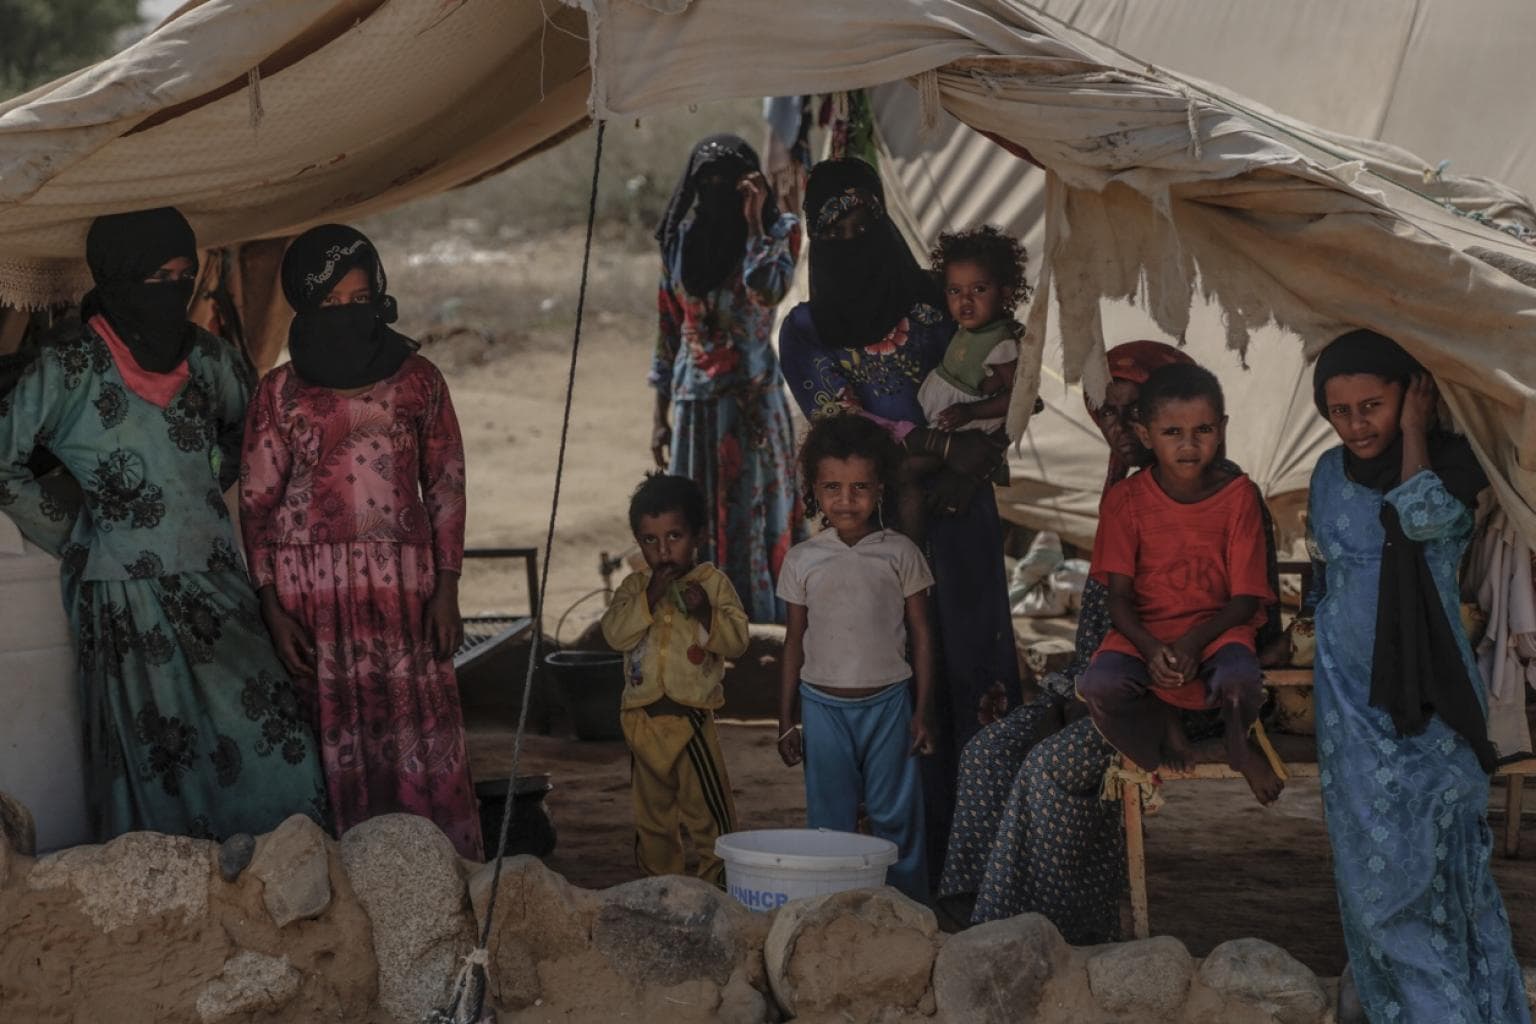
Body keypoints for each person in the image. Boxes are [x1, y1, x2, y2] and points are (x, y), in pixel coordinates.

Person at [939, 340, 1286, 942]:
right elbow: (1108, 621)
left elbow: (1245, 619)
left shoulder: (1230, 497)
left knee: (1051, 767)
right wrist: (1073, 692)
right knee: (990, 751)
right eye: (1110, 413)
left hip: (1190, 696)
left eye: (1129, 411)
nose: (1118, 427)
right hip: (1110, 685)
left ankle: (1047, 929)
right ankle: (974, 907)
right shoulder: (1127, 493)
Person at [0, 207, 327, 842]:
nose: (173, 291)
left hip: (215, 575)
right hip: (126, 593)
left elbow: (252, 431)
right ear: (118, 278)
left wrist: (204, 482)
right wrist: (78, 532)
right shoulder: (68, 363)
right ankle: (179, 911)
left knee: (274, 735)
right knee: (161, 756)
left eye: (184, 276)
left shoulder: (207, 358)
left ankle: (281, 875)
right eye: (156, 279)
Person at [777, 157, 1021, 873]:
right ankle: (878, 870)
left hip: (961, 522)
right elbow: (848, 433)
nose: (853, 236)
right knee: (879, 679)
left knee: (970, 672)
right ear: (818, 242)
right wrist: (947, 452)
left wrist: (981, 452)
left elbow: (1002, 368)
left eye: (864, 220)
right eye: (836, 228)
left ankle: (981, 859)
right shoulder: (807, 332)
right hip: (869, 536)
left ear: (885, 218)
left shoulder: (937, 299)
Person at [238, 225, 482, 858]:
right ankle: (345, 889)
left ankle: (434, 871)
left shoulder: (419, 381)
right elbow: (257, 503)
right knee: (333, 735)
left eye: (361, 297)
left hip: (404, 590)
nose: (349, 314)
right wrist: (270, 603)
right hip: (309, 597)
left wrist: (447, 590)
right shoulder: (279, 391)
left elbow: (447, 487)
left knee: (413, 732)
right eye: (331, 303)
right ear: (304, 306)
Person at [1306, 329, 1526, 1023]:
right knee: (1367, 883)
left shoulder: (1457, 465)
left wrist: (1413, 437)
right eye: (1339, 411)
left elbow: (1423, 515)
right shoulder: (1325, 473)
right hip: (1346, 697)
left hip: (1429, 701)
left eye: (1373, 405)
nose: (1354, 425)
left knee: (1429, 880)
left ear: (1413, 396)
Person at [1076, 363, 1284, 804]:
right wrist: (1152, 649)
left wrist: (1191, 643)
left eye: (1203, 429)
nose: (1189, 445)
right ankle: (1161, 721)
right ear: (1146, 433)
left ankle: (1238, 744)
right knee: (1100, 686)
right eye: (1172, 432)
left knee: (1239, 678)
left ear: (1222, 428)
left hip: (1216, 631)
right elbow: (1117, 599)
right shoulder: (1125, 501)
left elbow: (1246, 599)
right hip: (1143, 635)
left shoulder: (1240, 496)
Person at [776, 414, 935, 902]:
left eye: (860, 487)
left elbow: (923, 636)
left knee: (896, 815)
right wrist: (786, 719)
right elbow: (793, 641)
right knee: (829, 819)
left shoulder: (901, 553)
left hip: (889, 704)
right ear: (813, 490)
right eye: (832, 487)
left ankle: (909, 910)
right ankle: (830, 910)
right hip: (821, 708)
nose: (846, 500)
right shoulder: (803, 559)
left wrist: (922, 711)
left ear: (880, 488)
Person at [652, 134, 803, 623]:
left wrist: (757, 221)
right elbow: (668, 332)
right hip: (694, 410)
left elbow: (768, 290)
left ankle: (763, 630)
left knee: (754, 523)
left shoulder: (779, 231)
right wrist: (658, 416)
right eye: (707, 180)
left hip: (752, 408)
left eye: (728, 180)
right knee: (695, 525)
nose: (716, 188)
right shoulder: (680, 242)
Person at [601, 473, 749, 885]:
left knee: (708, 814)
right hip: (641, 721)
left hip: (691, 722)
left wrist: (706, 614)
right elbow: (615, 633)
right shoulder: (634, 588)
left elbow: (737, 641)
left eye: (674, 537)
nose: (663, 551)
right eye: (650, 540)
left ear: (698, 535)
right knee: (652, 818)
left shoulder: (713, 584)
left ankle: (719, 887)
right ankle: (659, 889)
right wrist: (648, 597)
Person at [897, 225, 1025, 540]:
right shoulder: (970, 329)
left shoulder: (1002, 343)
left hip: (968, 431)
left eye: (979, 290)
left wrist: (972, 413)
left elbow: (1018, 398)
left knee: (905, 473)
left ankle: (910, 551)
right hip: (951, 425)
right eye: (955, 291)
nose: (965, 300)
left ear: (1005, 293)